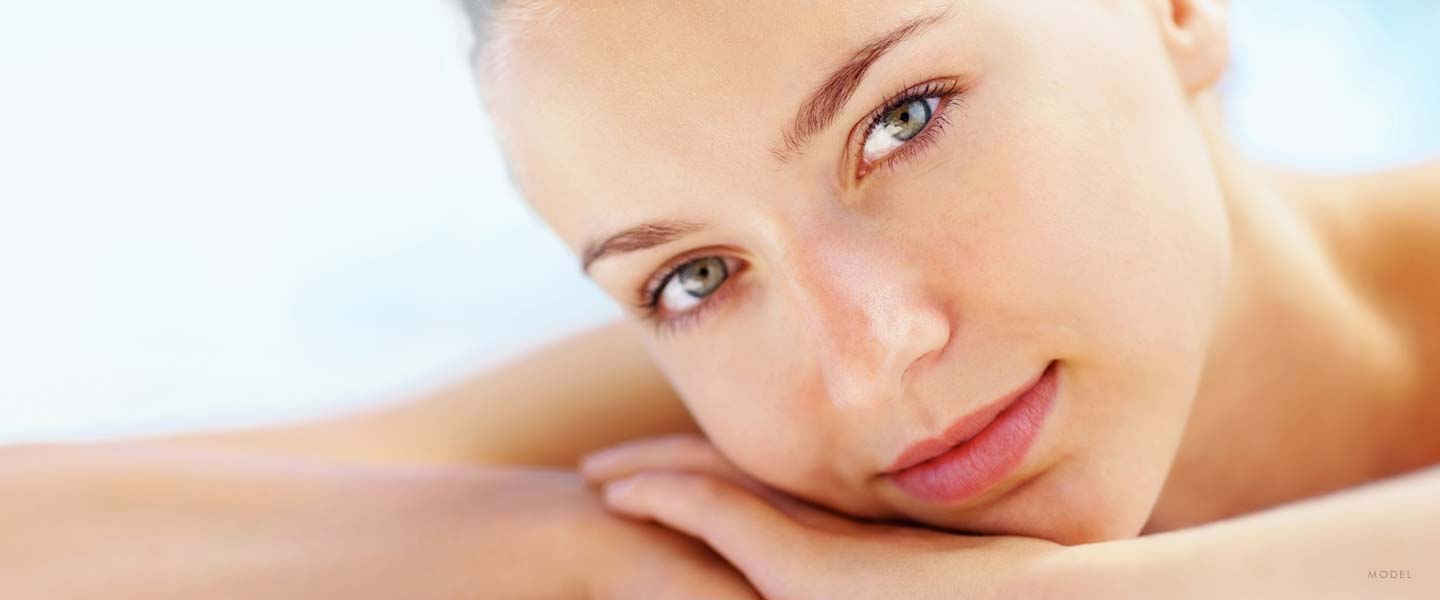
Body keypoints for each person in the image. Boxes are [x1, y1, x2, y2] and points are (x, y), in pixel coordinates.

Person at [4, 0, 1438, 597]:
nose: (872, 359)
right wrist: (571, 557)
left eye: (903, 121)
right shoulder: (740, 479)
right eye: (692, 275)